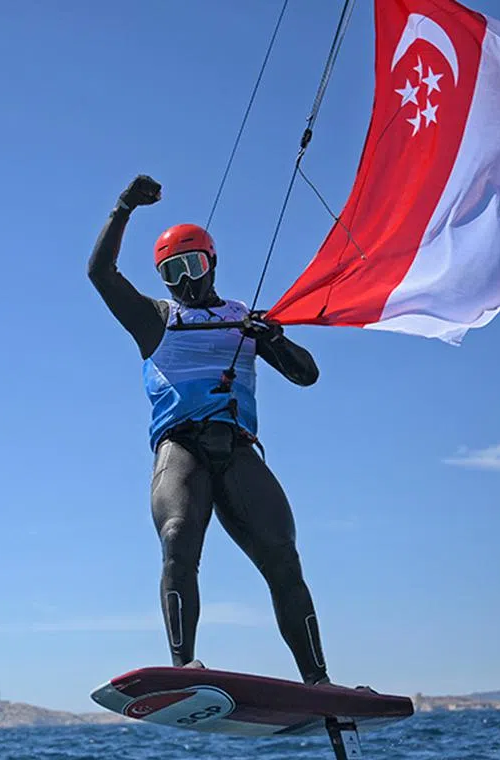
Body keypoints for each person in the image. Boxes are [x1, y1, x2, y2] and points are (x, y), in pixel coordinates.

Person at [87, 173, 335, 686]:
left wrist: (274, 339)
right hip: (182, 450)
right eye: (171, 271)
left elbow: (306, 375)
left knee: (284, 559)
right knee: (178, 539)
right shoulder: (155, 319)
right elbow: (100, 273)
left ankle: (318, 680)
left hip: (238, 450)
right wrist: (123, 208)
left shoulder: (247, 320)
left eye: (192, 265)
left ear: (212, 262)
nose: (184, 279)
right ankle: (185, 667)